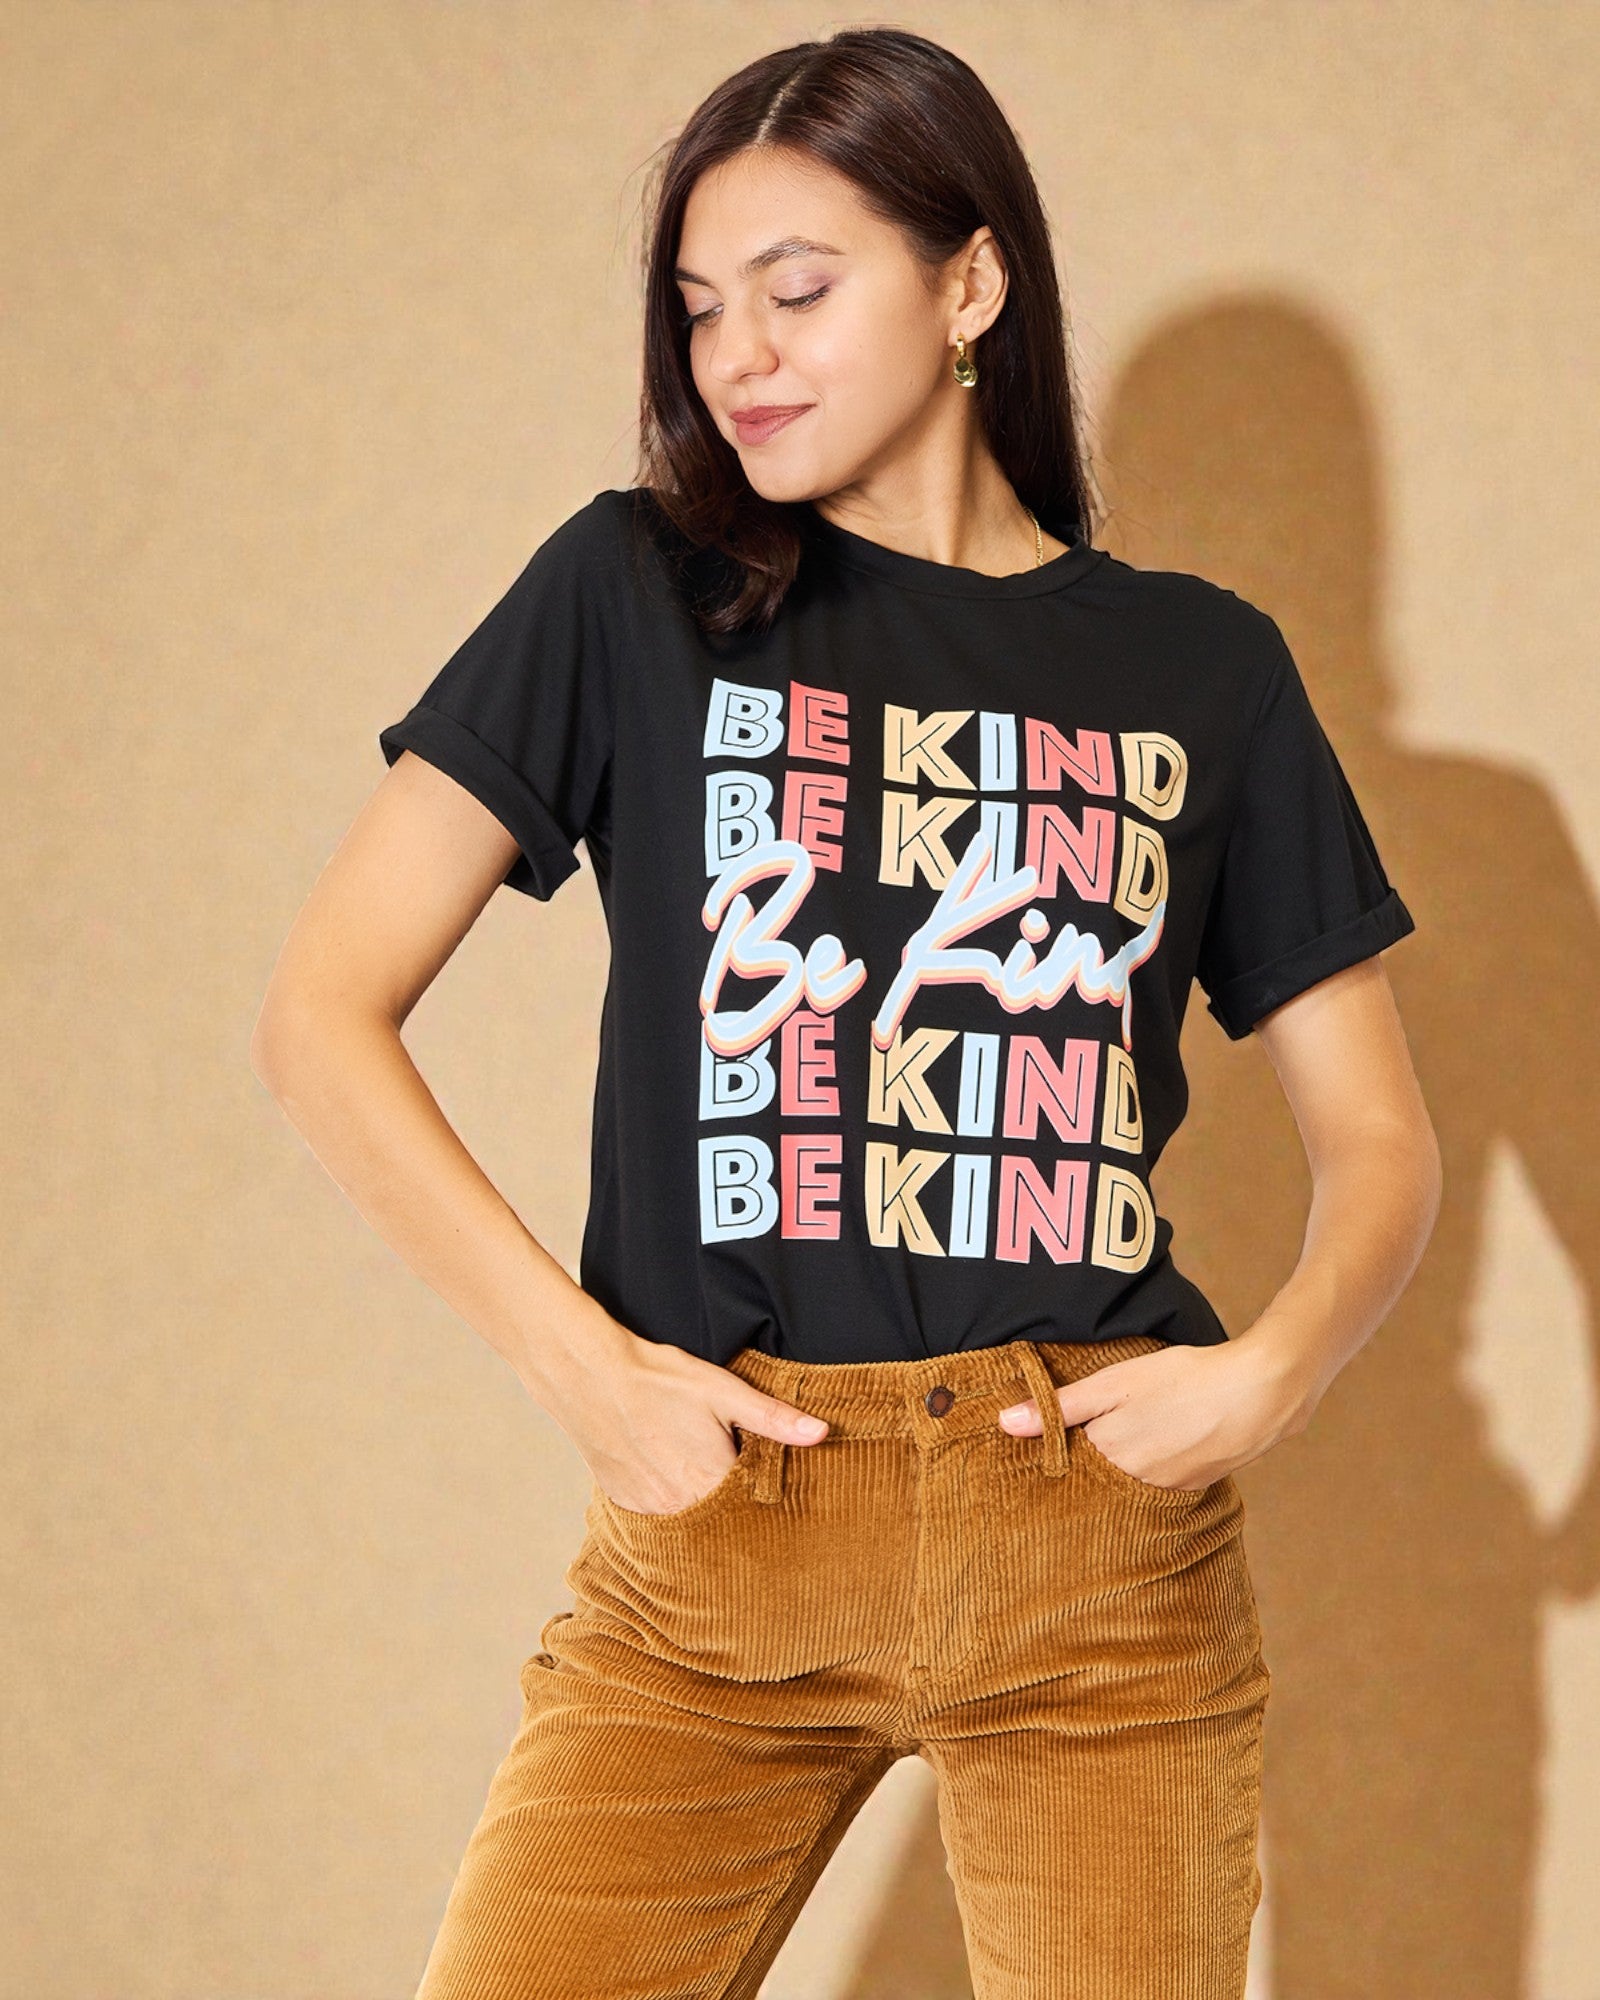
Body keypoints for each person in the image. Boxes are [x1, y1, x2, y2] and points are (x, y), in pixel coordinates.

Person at [250, 26, 1440, 2000]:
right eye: (701, 309)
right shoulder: (633, 590)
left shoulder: (1195, 669)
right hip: (722, 1526)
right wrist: (578, 1366)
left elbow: (1378, 1136)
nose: (738, 356)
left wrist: (1278, 1367)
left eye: (798, 290)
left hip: (1088, 1548)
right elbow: (322, 1013)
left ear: (968, 282)